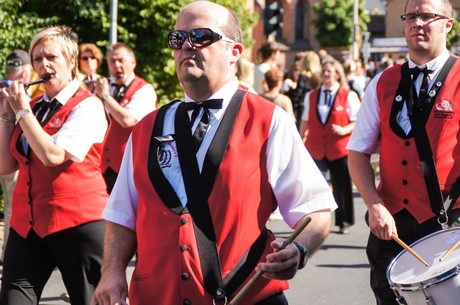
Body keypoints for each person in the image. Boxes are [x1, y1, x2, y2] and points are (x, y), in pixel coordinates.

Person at [91, 2, 337, 305]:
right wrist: (112, 271)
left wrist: (298, 250)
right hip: (158, 296)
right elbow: (121, 215)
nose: (187, 46)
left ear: (235, 52)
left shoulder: (268, 120)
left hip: (246, 296)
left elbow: (316, 209)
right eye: (178, 39)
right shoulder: (146, 128)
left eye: (201, 36)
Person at [347, 0, 460, 304]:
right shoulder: (382, 81)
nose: (417, 23)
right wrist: (374, 205)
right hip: (392, 222)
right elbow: (357, 151)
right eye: (411, 16)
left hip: (448, 223)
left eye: (427, 16)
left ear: (447, 24)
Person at [0, 25, 109, 305]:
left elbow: (52, 156)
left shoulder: (88, 106)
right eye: (37, 59)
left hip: (78, 225)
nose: (43, 65)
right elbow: (5, 165)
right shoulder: (33, 105)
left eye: (51, 57)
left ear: (71, 62)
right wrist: (5, 117)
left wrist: (22, 111)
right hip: (28, 226)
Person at [300, 58, 361, 235]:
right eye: (324, 71)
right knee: (312, 187)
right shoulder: (311, 96)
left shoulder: (348, 95)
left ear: (337, 74)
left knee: (342, 186)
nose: (326, 74)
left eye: (330, 71)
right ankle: (310, 221)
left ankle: (344, 221)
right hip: (315, 147)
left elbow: (357, 122)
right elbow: (305, 122)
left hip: (338, 148)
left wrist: (343, 130)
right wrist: (300, 141)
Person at [94, 42, 157, 193]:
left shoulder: (144, 89)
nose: (117, 66)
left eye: (121, 60)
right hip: (102, 166)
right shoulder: (104, 86)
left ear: (133, 62)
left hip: (131, 166)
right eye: (112, 61)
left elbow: (127, 120)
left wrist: (104, 96)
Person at [0, 49, 33, 262]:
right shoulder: (19, 93)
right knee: (13, 203)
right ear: (25, 73)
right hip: (8, 156)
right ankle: (8, 255)